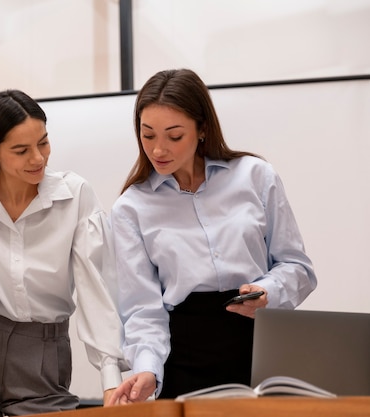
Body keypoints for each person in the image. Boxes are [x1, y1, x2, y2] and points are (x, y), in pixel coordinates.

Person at [108, 69, 317, 403]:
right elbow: (142, 310)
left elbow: (297, 267)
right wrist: (147, 369)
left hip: (260, 345)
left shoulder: (256, 176)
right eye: (148, 135)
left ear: (202, 128)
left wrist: (269, 291)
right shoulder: (130, 208)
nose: (158, 149)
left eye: (174, 136)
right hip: (185, 357)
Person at [0, 89, 127, 417]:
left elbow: (97, 286)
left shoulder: (75, 197)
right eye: (21, 150)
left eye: (43, 143)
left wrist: (110, 377)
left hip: (43, 356)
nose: (38, 158)